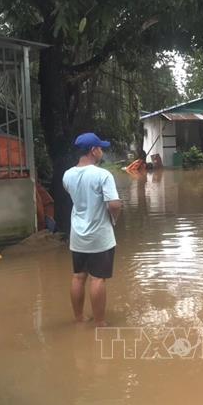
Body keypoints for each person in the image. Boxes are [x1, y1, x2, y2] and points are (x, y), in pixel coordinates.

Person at [63, 133, 122, 327]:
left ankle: (79, 318)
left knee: (78, 277)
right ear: (93, 150)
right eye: (100, 148)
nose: (102, 151)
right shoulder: (102, 175)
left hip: (77, 236)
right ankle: (99, 322)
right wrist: (115, 218)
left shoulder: (67, 175)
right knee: (98, 279)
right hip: (99, 236)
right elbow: (114, 204)